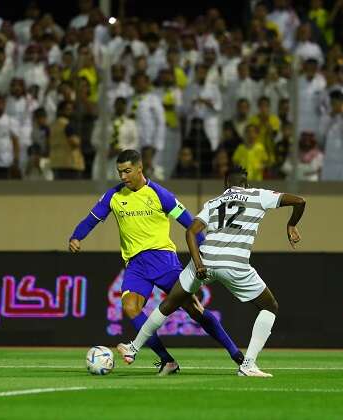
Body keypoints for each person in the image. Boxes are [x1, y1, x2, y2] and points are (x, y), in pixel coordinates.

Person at [117, 165, 306, 377]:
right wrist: (291, 224)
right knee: (270, 306)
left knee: (169, 303)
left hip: (204, 258)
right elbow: (299, 201)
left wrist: (198, 265)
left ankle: (133, 348)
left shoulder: (213, 202)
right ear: (246, 184)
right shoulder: (258, 195)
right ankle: (248, 364)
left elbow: (191, 231)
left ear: (226, 184)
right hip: (234, 264)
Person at [69, 149, 244, 375]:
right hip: (135, 266)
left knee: (194, 310)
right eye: (119, 172)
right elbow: (91, 219)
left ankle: (238, 356)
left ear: (140, 168)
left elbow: (191, 224)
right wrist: (76, 236)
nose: (122, 176)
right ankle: (167, 361)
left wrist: (204, 252)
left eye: (127, 171)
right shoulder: (113, 196)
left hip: (164, 261)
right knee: (130, 307)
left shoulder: (160, 194)